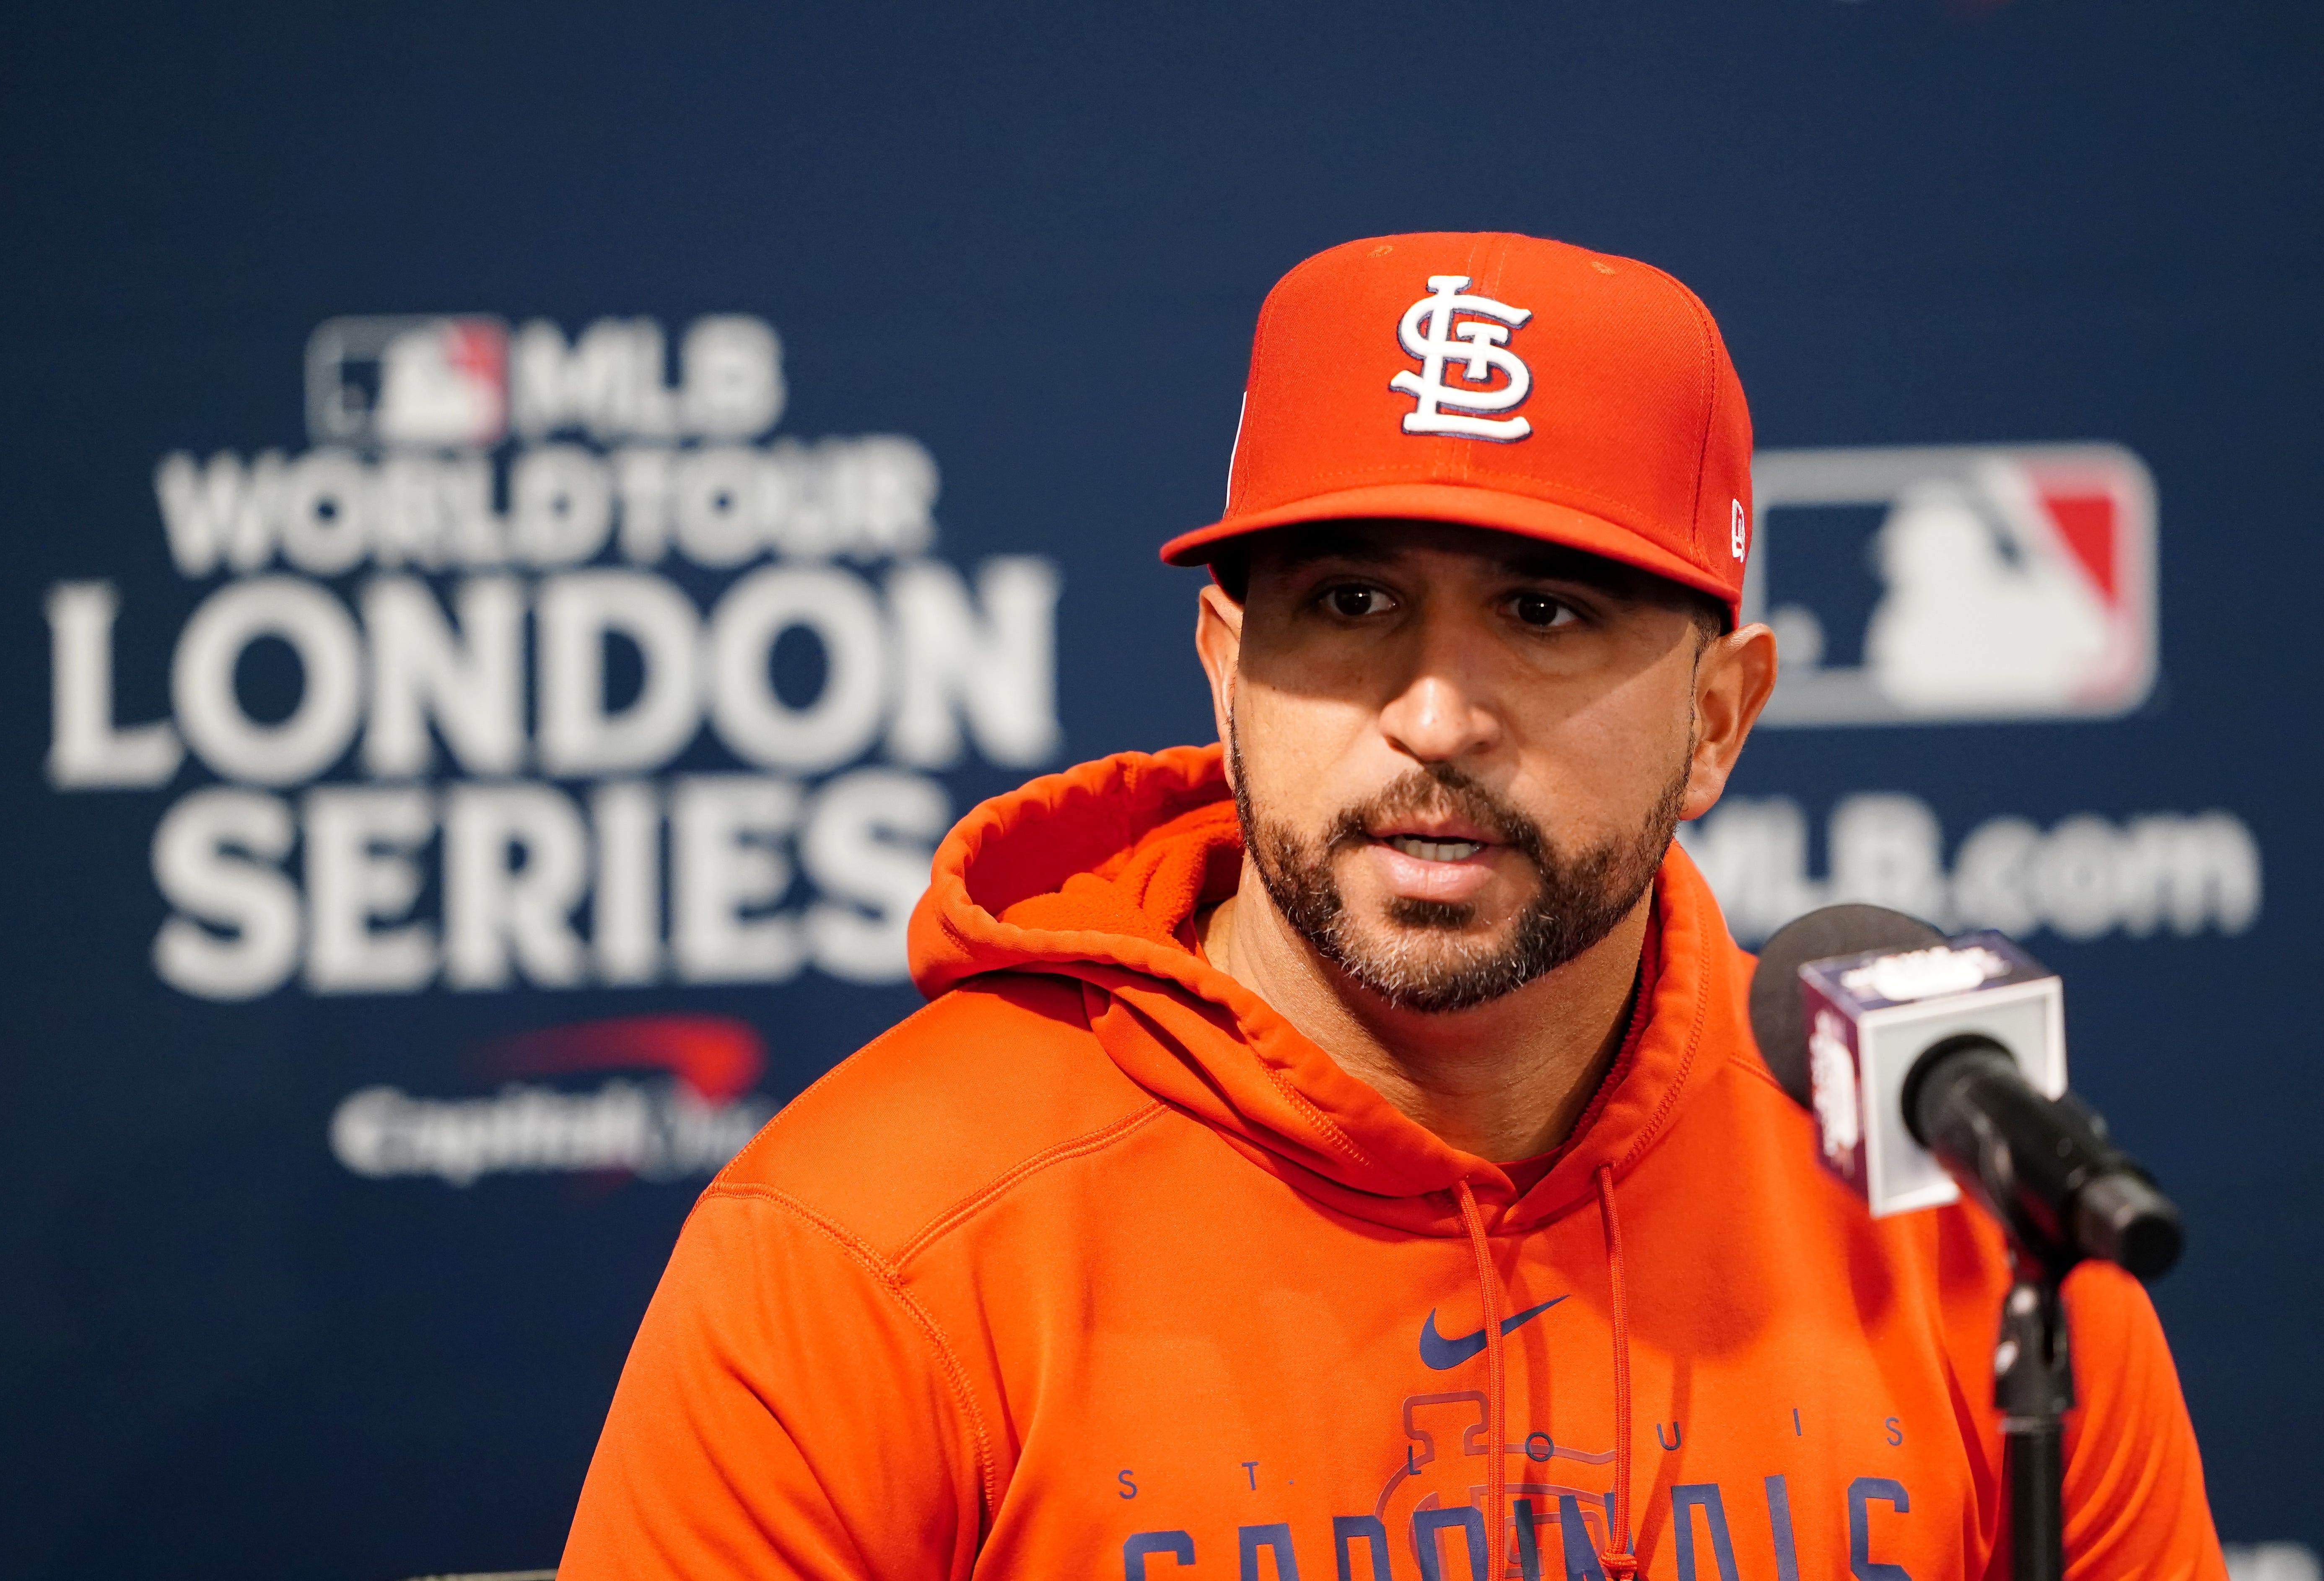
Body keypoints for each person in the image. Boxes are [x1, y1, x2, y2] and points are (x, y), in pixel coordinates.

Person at [560, 233, 2222, 1579]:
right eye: (1349, 602)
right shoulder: (871, 1249)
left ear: (1718, 718)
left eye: (1546, 611)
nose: (1434, 716)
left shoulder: (1959, 1208)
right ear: (1224, 672)